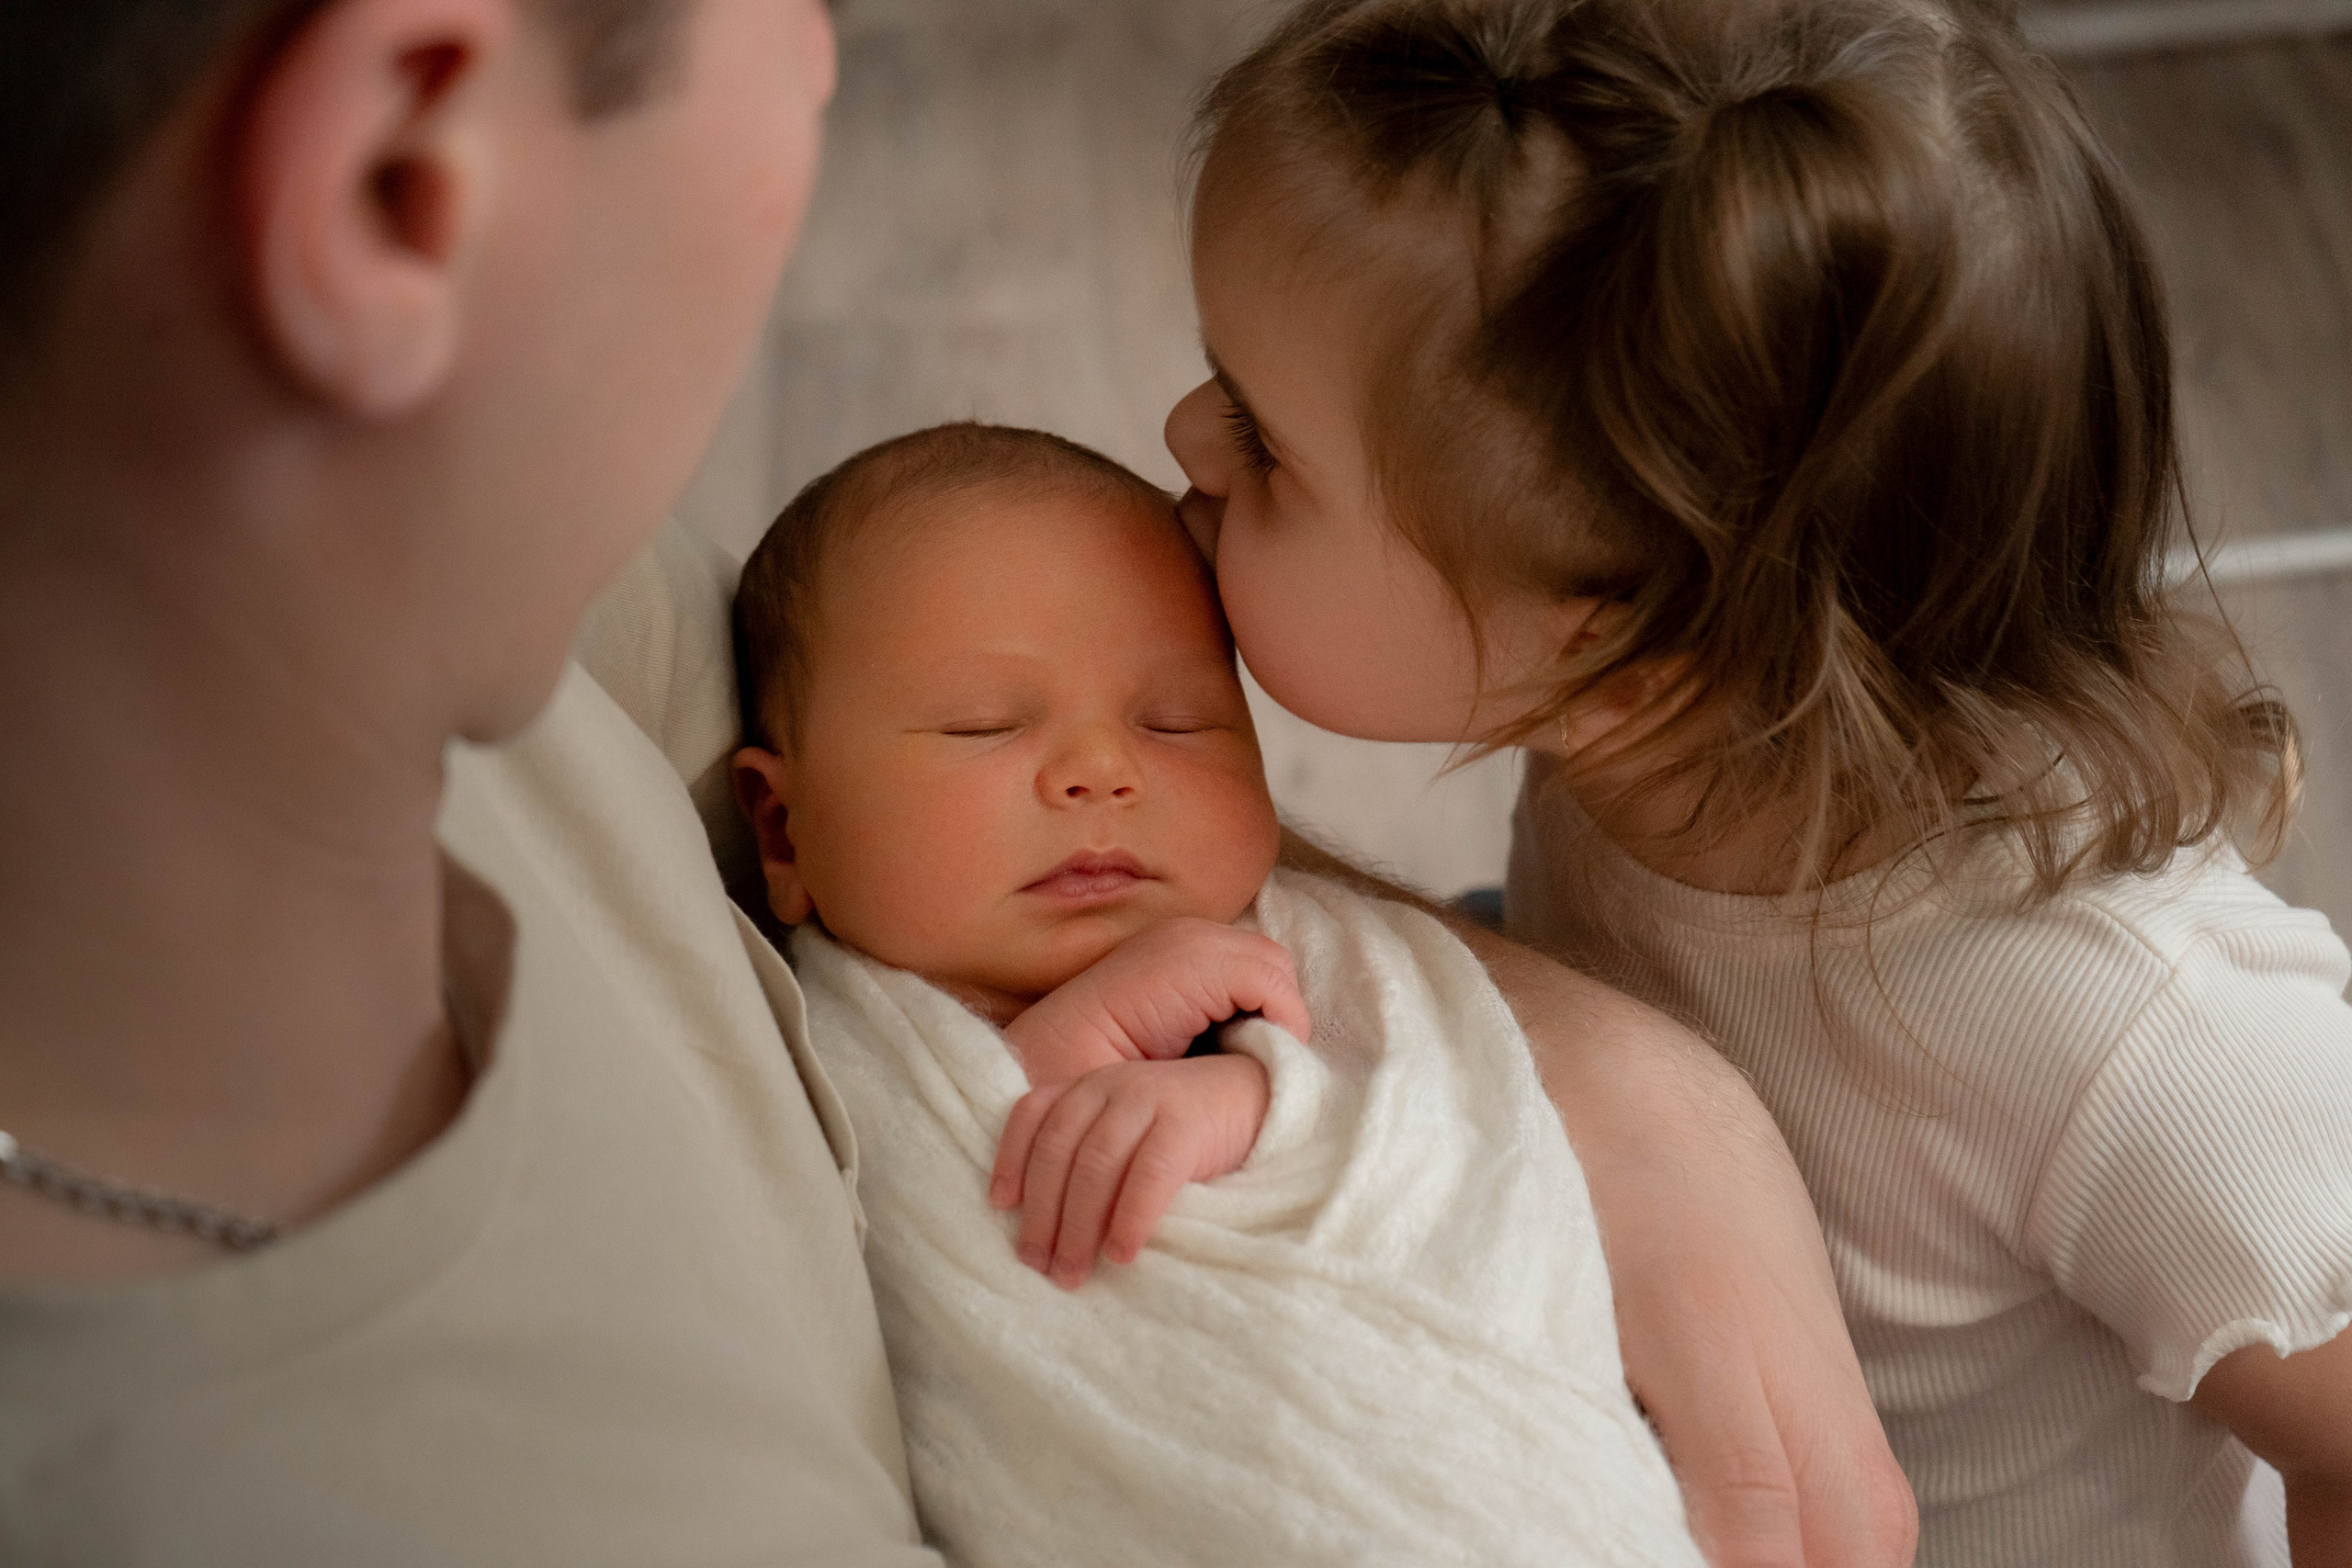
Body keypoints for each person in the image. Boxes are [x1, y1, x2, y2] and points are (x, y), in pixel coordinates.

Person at [0, 2, 1909, 1564]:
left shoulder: (518, 583)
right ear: (401, 180)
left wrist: (1606, 1078)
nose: (823, 51)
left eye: (1184, 722)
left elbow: (1094, 865)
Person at [1159, 0, 2352, 1563]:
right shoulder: (1656, 721)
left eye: (1259, 440)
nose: (1185, 431)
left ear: (1632, 653)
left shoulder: (2133, 1029)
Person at [729, 420, 1700, 1565]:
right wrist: (1066, 1047)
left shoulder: (1315, 963)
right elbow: (919, 1218)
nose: (1103, 769)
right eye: (983, 725)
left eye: (1176, 721)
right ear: (783, 831)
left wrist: (1252, 1104)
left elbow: (1447, 1135)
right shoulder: (809, 1043)